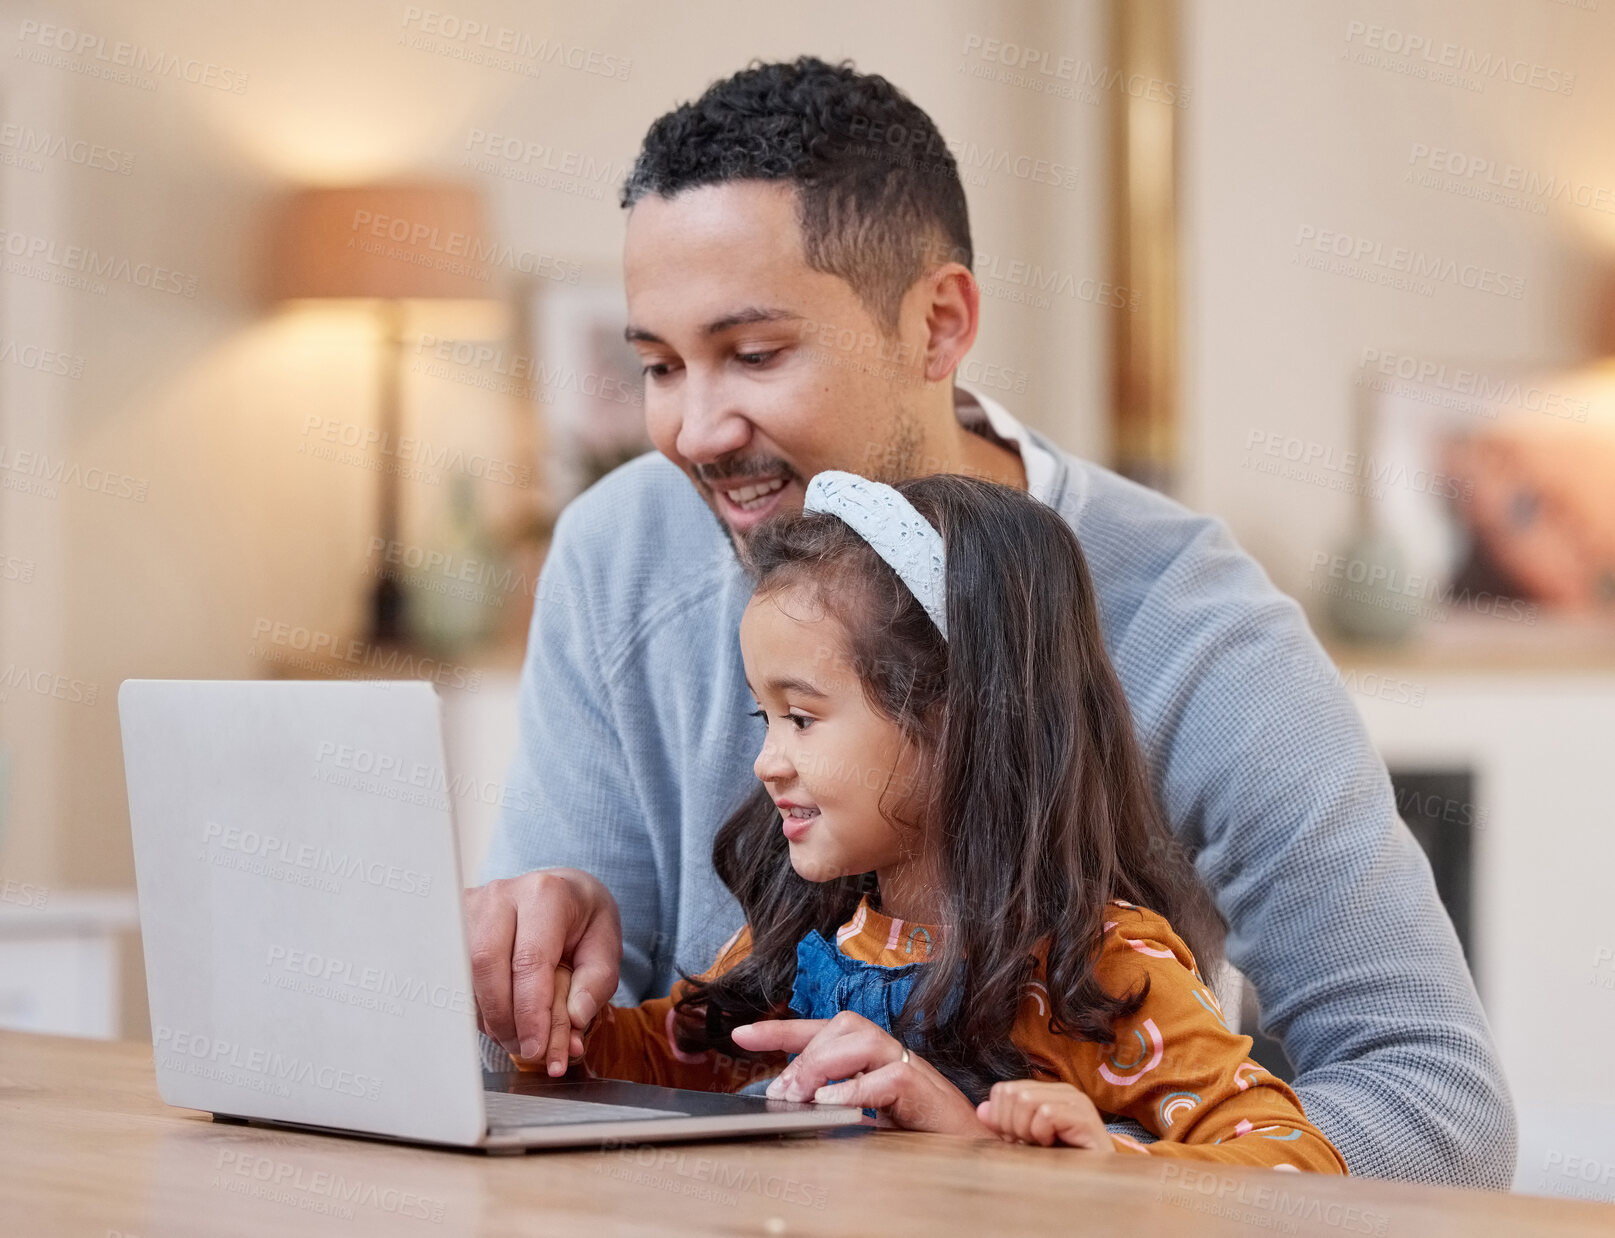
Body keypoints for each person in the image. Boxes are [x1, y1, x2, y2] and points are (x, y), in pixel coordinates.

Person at [466, 56, 1514, 1186]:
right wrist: (529, 979)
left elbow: (1437, 1101)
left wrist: (1078, 1172)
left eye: (756, 354)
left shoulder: (1193, 622)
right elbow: (585, 1064)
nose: (693, 430)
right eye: (660, 366)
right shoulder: (617, 548)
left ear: (940, 323)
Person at [515, 470, 1347, 1170]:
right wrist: (539, 1011)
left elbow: (1292, 1163)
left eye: (801, 718)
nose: (766, 762)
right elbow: (659, 1063)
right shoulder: (807, 939)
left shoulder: (1099, 969)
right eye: (759, 719)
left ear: (955, 719)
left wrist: (1079, 1164)